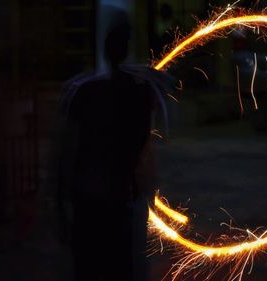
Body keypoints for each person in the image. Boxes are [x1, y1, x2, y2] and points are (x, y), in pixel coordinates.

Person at [60, 17, 156, 281]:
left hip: (92, 197)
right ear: (125, 50)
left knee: (91, 266)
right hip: (114, 197)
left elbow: (68, 150)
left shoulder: (85, 92)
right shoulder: (138, 93)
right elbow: (141, 145)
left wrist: (61, 201)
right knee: (119, 266)